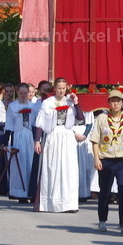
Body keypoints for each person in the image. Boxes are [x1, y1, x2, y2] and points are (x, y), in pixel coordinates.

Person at [33, 78, 84, 213]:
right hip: (53, 136)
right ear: (54, 88)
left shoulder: (70, 101)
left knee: (68, 168)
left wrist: (76, 103)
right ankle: (51, 202)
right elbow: (40, 123)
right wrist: (37, 141)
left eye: (63, 88)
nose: (61, 91)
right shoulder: (47, 102)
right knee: (53, 168)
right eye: (59, 88)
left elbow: (80, 118)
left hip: (67, 137)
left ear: (66, 88)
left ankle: (69, 203)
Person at [92, 90, 123, 231]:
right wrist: (96, 158)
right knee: (105, 192)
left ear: (122, 103)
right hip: (106, 159)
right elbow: (95, 140)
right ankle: (102, 220)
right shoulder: (102, 118)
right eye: (113, 101)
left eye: (118, 101)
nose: (115, 104)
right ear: (108, 102)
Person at [5, 83, 37, 203]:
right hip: (18, 136)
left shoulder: (32, 106)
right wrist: (7, 138)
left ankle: (31, 191)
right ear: (17, 93)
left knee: (30, 163)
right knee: (20, 164)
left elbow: (34, 123)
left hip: (29, 136)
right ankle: (20, 193)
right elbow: (9, 124)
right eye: (21, 93)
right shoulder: (13, 106)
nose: (24, 95)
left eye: (26, 93)